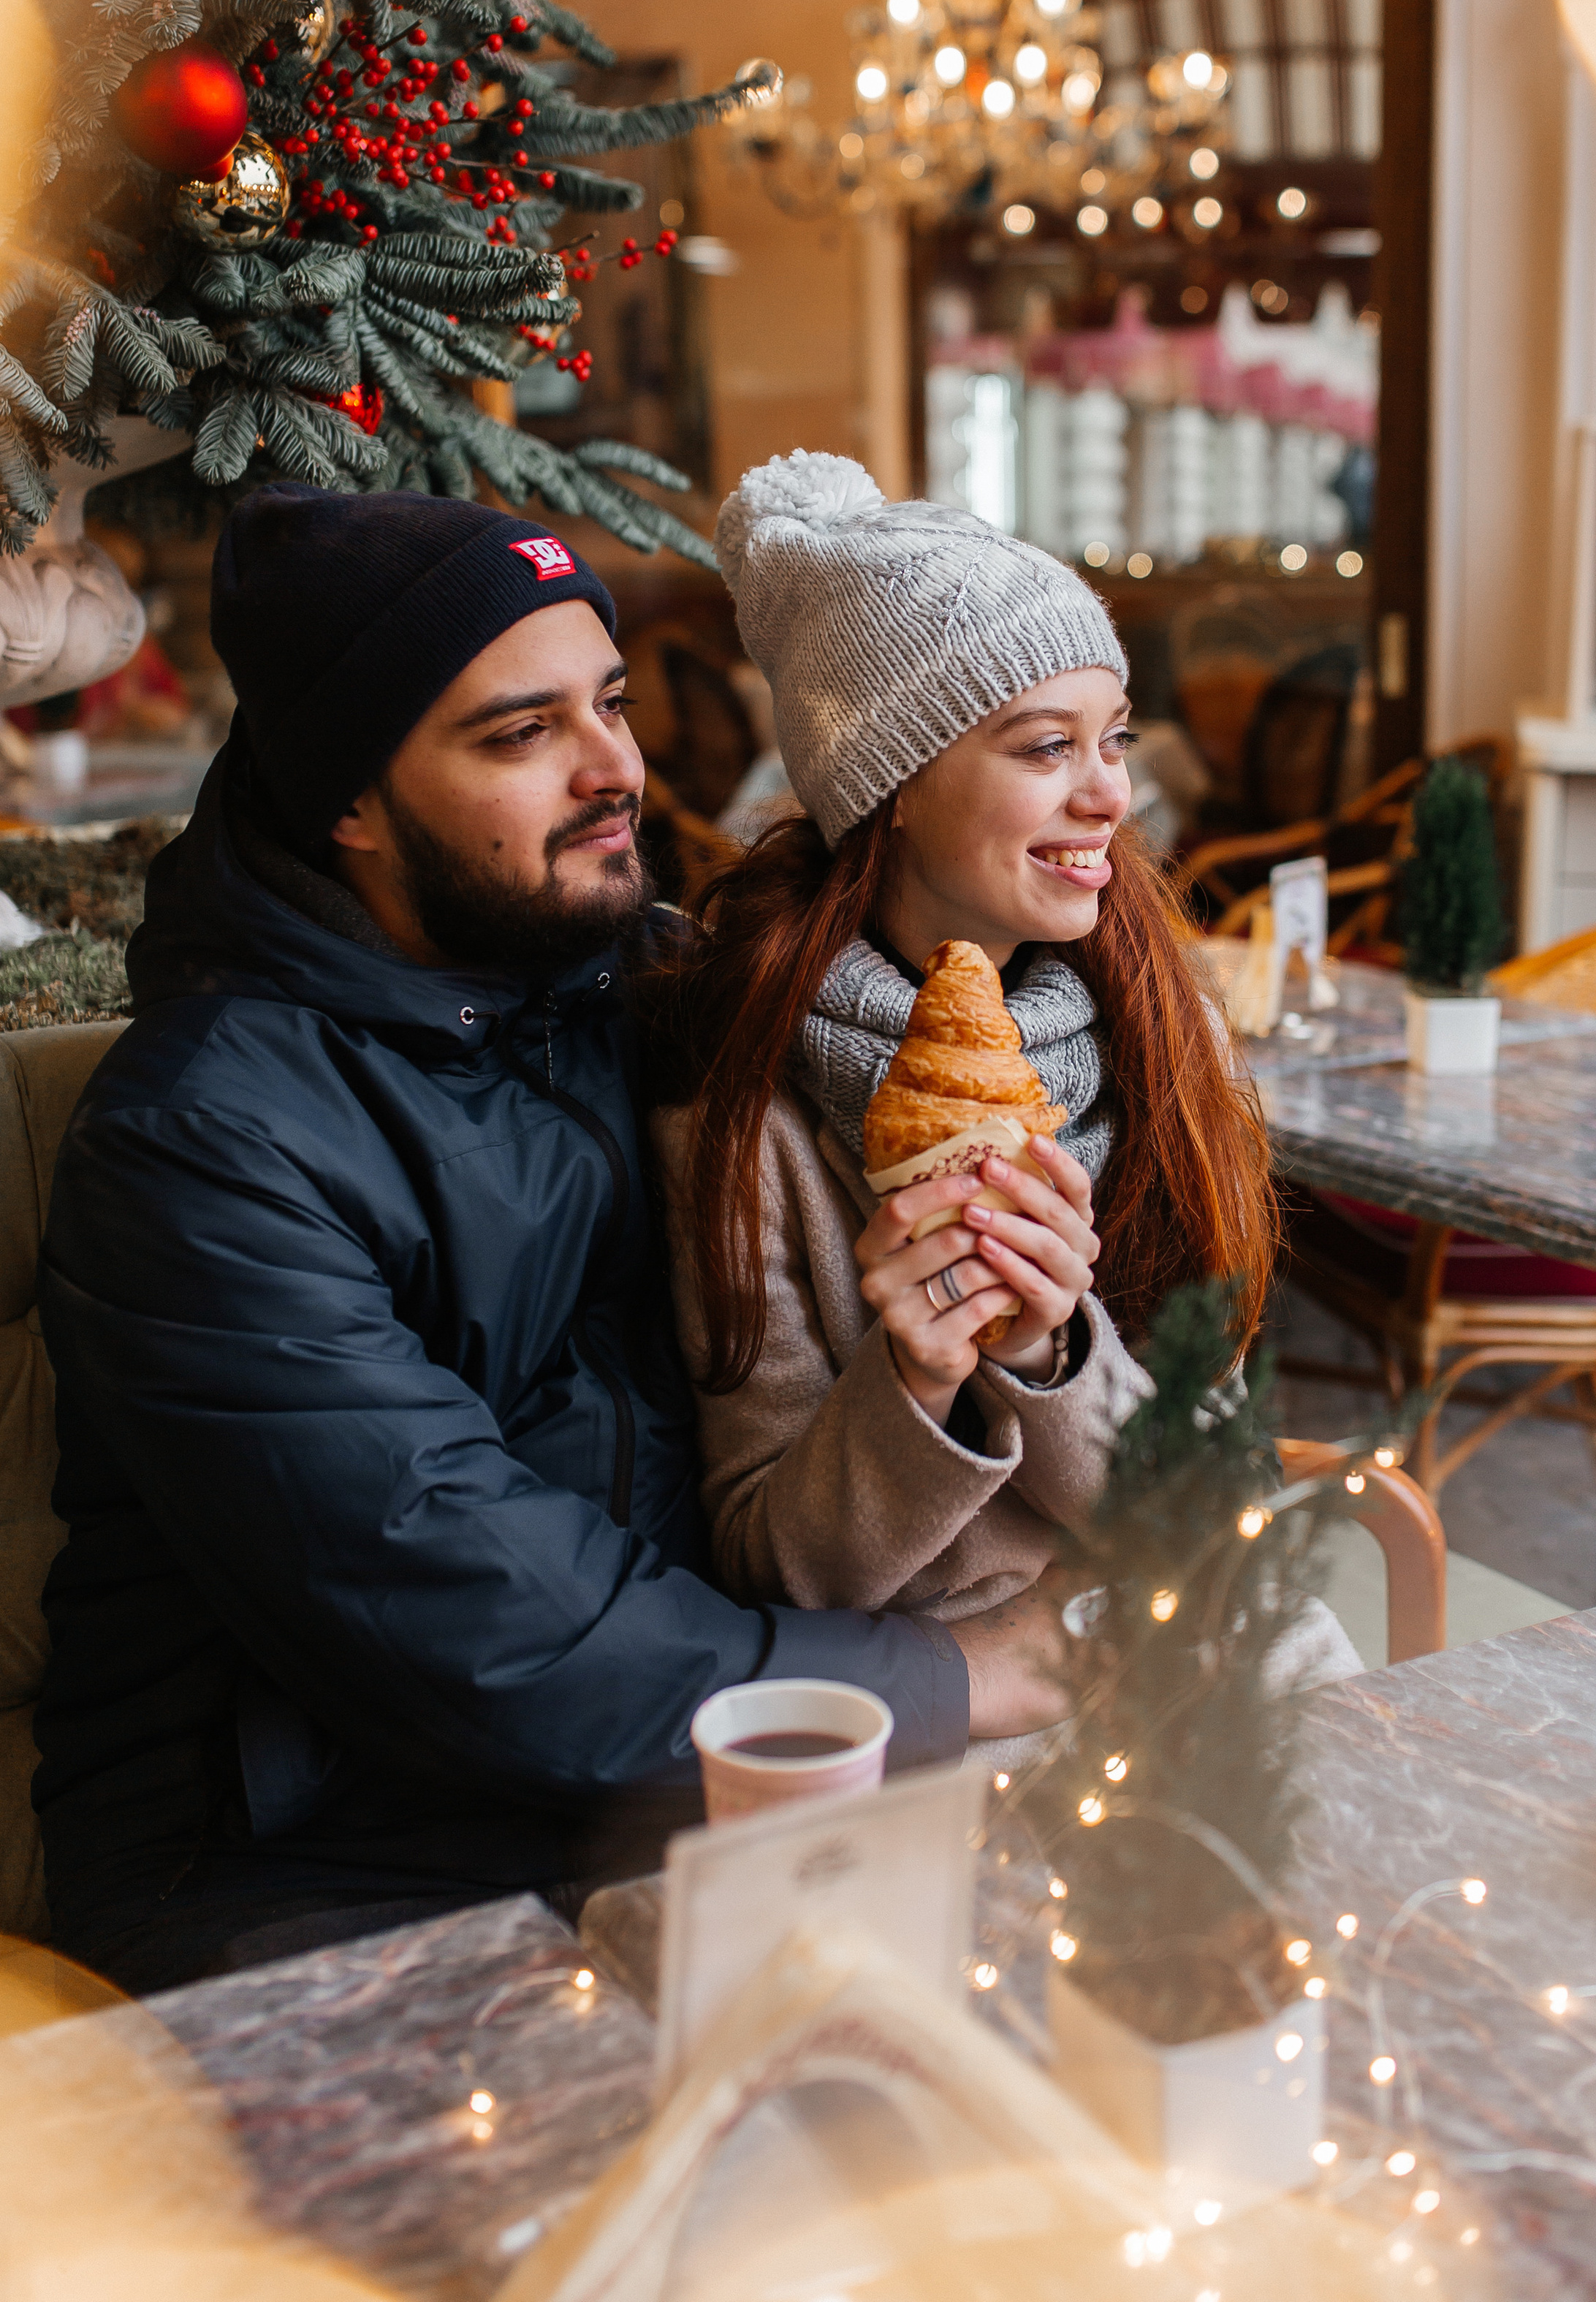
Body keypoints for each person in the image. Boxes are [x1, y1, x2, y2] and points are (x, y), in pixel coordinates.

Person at [33, 485, 1049, 1996]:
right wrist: (966, 1677)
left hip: (661, 1792)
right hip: (311, 1868)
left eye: (614, 705)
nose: (613, 770)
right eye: (520, 734)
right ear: (348, 802)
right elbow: (474, 1619)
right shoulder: (202, 1140)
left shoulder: (623, 982)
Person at [647, 453, 1299, 1652]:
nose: (1112, 795)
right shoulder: (746, 1109)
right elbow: (775, 1566)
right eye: (1046, 748)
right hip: (939, 1701)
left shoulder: (1164, 1030)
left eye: (1116, 740)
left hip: (1176, 1638)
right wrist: (915, 1383)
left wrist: (1052, 1355)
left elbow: (1216, 1501)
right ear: (891, 784)